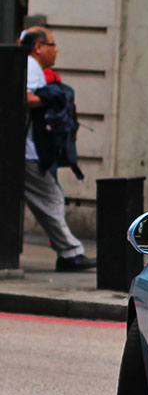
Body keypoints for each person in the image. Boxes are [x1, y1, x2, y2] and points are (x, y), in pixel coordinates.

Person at [21, 27, 94, 272]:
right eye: (52, 44)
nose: (56, 50)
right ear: (38, 47)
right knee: (51, 198)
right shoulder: (30, 65)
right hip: (28, 152)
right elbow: (25, 97)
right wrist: (55, 98)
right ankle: (70, 253)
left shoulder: (33, 66)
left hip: (28, 150)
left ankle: (69, 252)